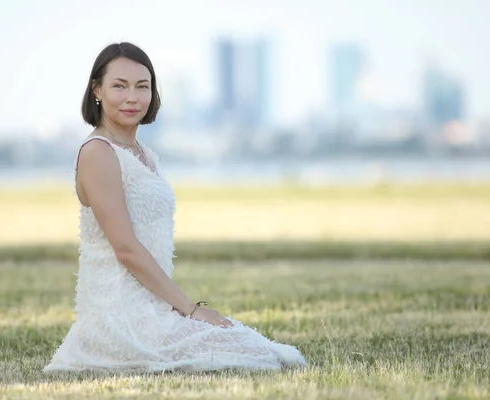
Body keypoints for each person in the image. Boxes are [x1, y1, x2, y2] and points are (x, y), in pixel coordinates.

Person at [43, 42, 307, 373]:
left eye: (143, 87)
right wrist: (191, 310)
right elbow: (125, 249)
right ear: (96, 89)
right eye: (119, 86)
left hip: (157, 309)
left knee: (276, 354)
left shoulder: (143, 153)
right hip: (120, 319)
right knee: (260, 360)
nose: (132, 97)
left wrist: (176, 310)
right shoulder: (98, 152)